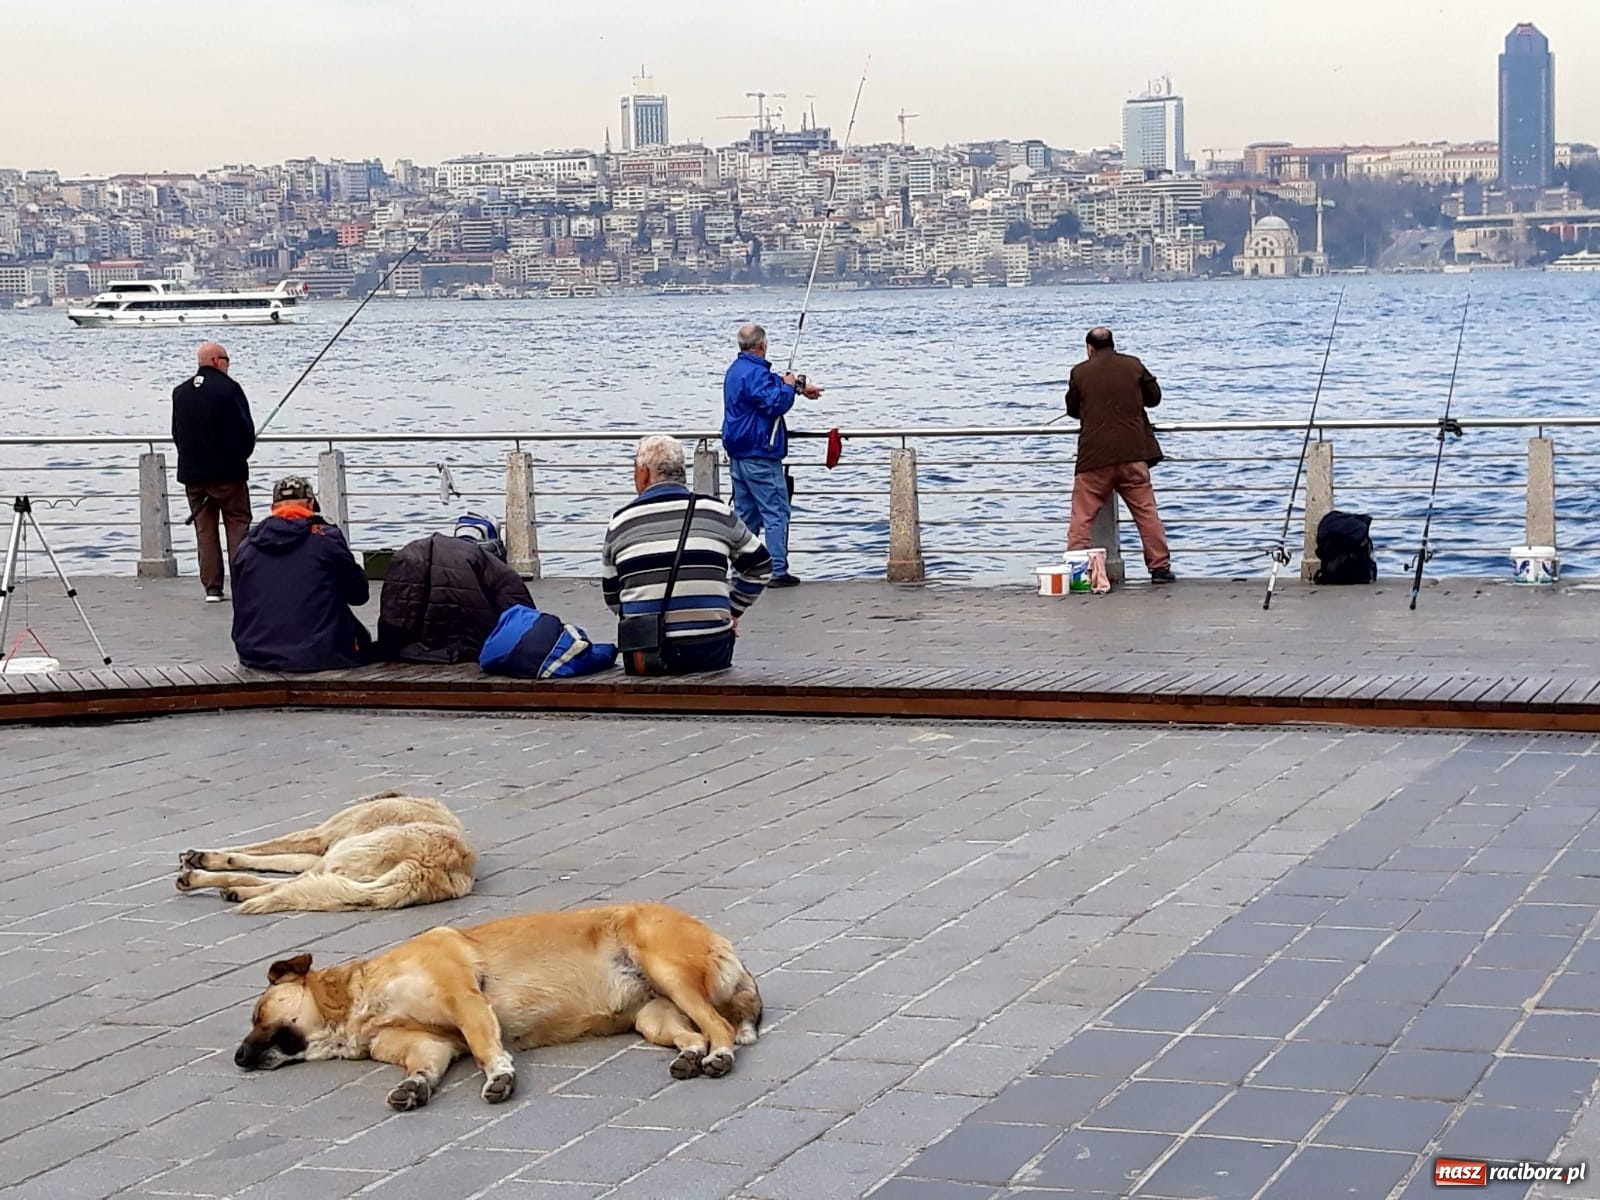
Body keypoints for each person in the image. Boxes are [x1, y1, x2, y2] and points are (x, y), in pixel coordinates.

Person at [601, 434, 772, 675]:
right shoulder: (716, 512)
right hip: (710, 649)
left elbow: (612, 596)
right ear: (681, 471)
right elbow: (760, 566)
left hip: (646, 653)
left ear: (643, 473)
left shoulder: (621, 522)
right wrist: (731, 610)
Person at [1064, 327, 1175, 584]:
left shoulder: (1079, 372)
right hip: (1133, 455)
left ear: (1090, 348)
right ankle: (1159, 568)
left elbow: (1072, 409)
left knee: (1082, 517)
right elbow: (1154, 399)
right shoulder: (1133, 365)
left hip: (1094, 458)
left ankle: (1077, 570)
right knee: (1146, 513)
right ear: (1112, 345)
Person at [230, 476, 375, 672]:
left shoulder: (247, 547)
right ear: (311, 503)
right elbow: (359, 595)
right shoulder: (326, 539)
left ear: (273, 508)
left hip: (256, 655)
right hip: (323, 654)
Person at [721, 323, 821, 588]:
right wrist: (790, 388)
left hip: (739, 454)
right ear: (762, 344)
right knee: (776, 510)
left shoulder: (737, 371)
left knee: (746, 514)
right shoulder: (755, 374)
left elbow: (769, 387)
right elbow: (775, 402)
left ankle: (744, 568)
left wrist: (797, 386)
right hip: (760, 453)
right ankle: (777, 569)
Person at [375, 514, 535, 664]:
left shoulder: (414, 551)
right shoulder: (493, 567)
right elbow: (525, 618)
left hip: (406, 650)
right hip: (469, 651)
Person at [171, 342, 256, 602]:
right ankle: (242, 584)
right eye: (227, 360)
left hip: (193, 476)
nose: (228, 365)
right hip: (229, 474)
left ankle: (212, 588)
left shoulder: (180, 392)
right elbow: (245, 431)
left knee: (205, 530)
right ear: (217, 361)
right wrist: (241, 456)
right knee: (238, 524)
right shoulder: (229, 390)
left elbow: (177, 433)